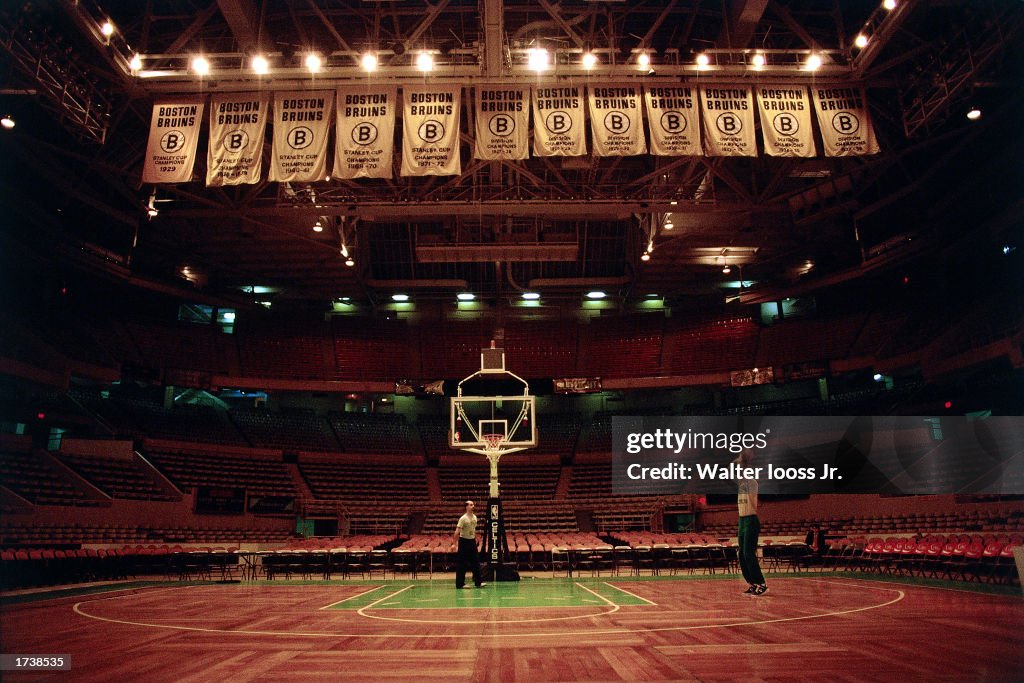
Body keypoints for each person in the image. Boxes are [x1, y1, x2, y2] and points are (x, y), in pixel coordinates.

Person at [735, 449, 767, 595]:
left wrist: (744, 458)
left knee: (748, 553)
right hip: (742, 520)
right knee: (741, 554)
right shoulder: (740, 484)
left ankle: (761, 582)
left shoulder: (752, 483)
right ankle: (752, 582)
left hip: (750, 519)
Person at [454, 500, 485, 588]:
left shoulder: (475, 517)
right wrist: (454, 544)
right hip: (464, 541)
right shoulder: (463, 518)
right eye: (471, 505)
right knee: (462, 563)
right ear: (466, 507)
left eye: (473, 504)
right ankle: (460, 584)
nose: (473, 506)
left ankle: (478, 582)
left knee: (475, 562)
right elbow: (457, 531)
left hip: (472, 541)